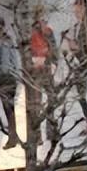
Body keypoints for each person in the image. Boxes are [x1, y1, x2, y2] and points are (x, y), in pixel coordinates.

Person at [63, 0, 87, 135]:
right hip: (77, 64)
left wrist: (75, 48)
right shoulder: (78, 26)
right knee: (80, 96)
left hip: (83, 64)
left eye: (78, 10)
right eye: (75, 11)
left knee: (81, 96)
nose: (76, 13)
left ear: (84, 9)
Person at [29, 7, 59, 143]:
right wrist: (33, 62)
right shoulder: (30, 33)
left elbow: (54, 48)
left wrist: (54, 63)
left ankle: (50, 131)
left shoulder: (48, 31)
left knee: (51, 99)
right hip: (36, 71)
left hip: (47, 69)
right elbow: (27, 52)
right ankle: (37, 135)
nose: (42, 19)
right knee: (37, 103)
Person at [0, 17, 20, 149]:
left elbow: (14, 58)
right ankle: (13, 136)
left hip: (8, 77)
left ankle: (13, 137)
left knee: (9, 107)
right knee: (8, 108)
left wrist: (17, 75)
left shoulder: (8, 41)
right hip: (2, 77)